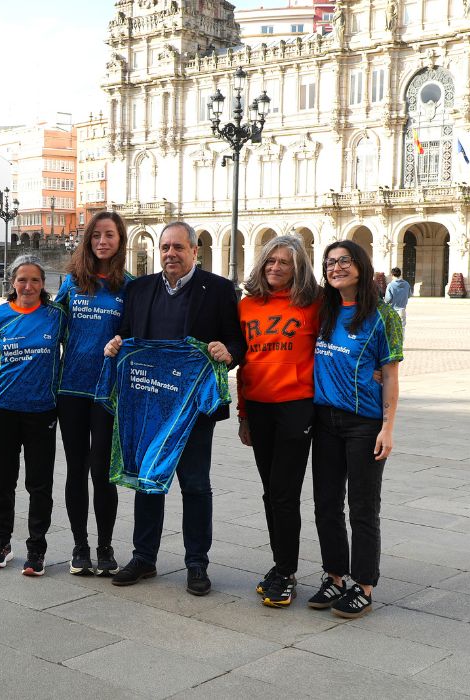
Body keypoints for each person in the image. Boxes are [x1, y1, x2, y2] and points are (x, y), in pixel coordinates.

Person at [103, 221, 245, 596]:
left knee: (195, 484)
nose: (170, 254)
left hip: (194, 407)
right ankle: (144, 557)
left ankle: (197, 563)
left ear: (194, 251)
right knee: (148, 479)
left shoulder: (218, 289)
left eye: (178, 247)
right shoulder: (139, 289)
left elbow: (237, 341)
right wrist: (117, 344)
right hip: (149, 404)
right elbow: (126, 334)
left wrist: (227, 352)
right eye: (165, 247)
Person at [309, 240, 403, 620]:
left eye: (344, 261)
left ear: (361, 266)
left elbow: (391, 374)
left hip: (364, 423)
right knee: (326, 504)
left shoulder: (383, 316)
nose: (336, 268)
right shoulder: (323, 310)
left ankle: (363, 586)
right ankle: (334, 576)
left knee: (363, 507)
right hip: (324, 421)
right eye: (330, 262)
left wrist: (388, 427)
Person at [236, 235, 321, 608]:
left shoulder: (315, 303)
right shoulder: (247, 306)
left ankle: (286, 573)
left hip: (296, 408)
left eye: (284, 262)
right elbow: (243, 364)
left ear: (297, 267)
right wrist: (243, 415)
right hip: (259, 407)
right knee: (270, 491)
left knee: (284, 493)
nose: (275, 267)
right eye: (270, 261)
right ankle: (280, 564)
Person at [0, 255, 65, 577]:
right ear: (12, 282)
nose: (28, 286)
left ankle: (36, 549)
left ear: (43, 284)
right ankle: (1, 544)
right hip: (2, 409)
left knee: (40, 484)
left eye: (35, 280)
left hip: (42, 411)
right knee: (3, 481)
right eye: (22, 279)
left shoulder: (56, 315)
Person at [55, 211, 133, 577]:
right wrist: (6, 315)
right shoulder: (71, 283)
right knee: (76, 468)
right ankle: (80, 546)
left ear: (120, 241)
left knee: (102, 471)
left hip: (108, 393)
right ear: (88, 241)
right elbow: (49, 322)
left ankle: (105, 546)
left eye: (110, 235)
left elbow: (138, 335)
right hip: (71, 388)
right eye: (96, 235)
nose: (102, 241)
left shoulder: (129, 287)